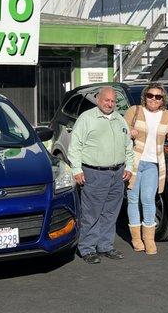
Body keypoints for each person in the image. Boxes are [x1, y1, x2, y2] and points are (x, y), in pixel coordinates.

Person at [68, 86, 134, 264]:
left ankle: (105, 246)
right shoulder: (87, 118)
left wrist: (129, 166)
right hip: (94, 173)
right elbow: (75, 146)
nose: (110, 104)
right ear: (99, 100)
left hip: (117, 173)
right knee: (91, 213)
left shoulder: (120, 119)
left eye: (113, 101)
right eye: (107, 100)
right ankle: (87, 248)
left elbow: (128, 146)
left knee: (111, 212)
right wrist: (76, 169)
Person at [123, 83, 168, 255]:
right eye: (150, 95)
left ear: (163, 100)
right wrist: (129, 132)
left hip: (153, 164)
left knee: (148, 200)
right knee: (133, 200)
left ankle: (149, 239)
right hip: (134, 163)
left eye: (158, 97)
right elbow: (120, 130)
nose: (153, 99)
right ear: (145, 96)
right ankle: (136, 239)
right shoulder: (134, 111)